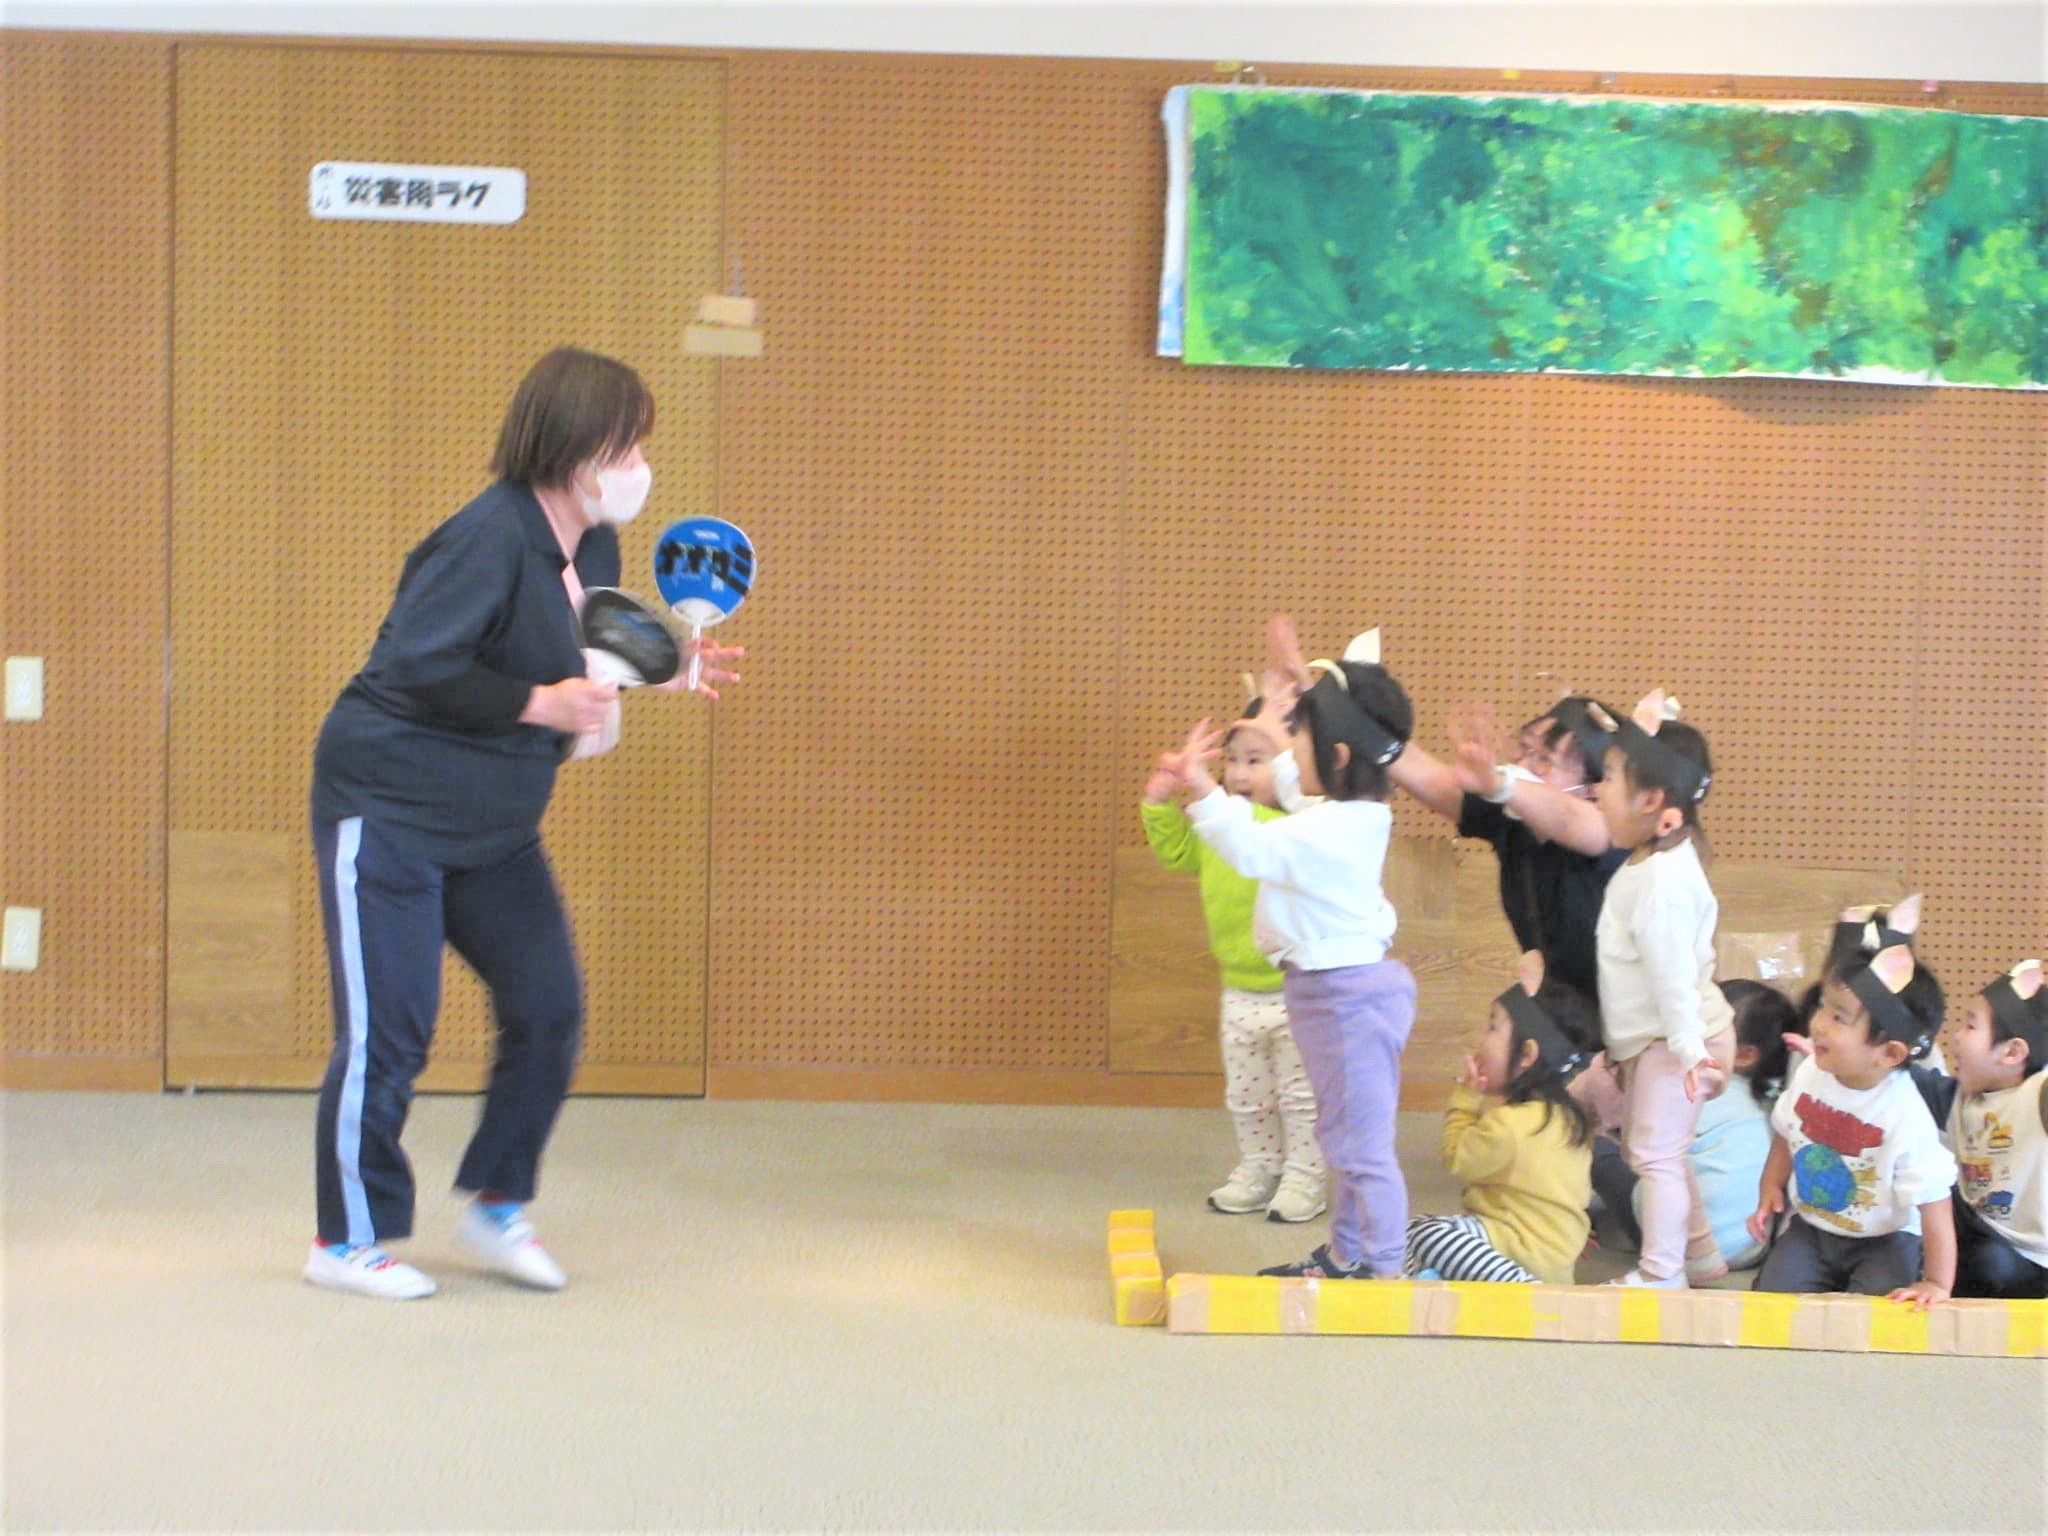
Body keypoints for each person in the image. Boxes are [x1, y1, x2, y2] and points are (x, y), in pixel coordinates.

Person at [303, 347, 743, 1300]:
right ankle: (345, 1241)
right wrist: (541, 705)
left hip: (494, 822)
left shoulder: (594, 544)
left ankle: (497, 1207)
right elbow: (418, 668)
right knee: (391, 1034)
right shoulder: (485, 538)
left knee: (548, 1009)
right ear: (576, 450)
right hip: (389, 806)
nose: (640, 466)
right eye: (627, 447)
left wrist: (670, 667)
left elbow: (593, 636)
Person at [1165, 623, 1417, 1280]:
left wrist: (1203, 788)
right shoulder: (1342, 809)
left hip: (1347, 996)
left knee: (1362, 1150)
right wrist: (1281, 727)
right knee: (1343, 1140)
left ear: (1337, 754)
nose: (1284, 757)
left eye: (1296, 742)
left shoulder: (1336, 827)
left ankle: (1381, 1269)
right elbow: (1298, 789)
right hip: (1327, 991)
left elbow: (1253, 848)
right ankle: (1348, 1254)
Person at [1142, 700, 1327, 1223]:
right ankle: (1259, 1167)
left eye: (1256, 761)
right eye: (1233, 760)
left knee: (1301, 1097)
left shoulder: (1298, 826)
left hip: (1298, 990)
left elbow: (1253, 832)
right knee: (1248, 1095)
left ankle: (1305, 1178)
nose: (1240, 774)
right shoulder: (1220, 823)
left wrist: (1206, 795)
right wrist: (1159, 802)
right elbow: (1180, 852)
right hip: (1239, 990)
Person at [1589, 692, 1737, 1288]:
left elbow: (1674, 979)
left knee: (1654, 1158)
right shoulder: (1651, 865)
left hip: (1680, 1040)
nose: (1597, 789)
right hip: (1663, 1039)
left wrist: (1689, 1052)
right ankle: (1698, 1258)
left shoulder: (1663, 884)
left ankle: (1662, 1274)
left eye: (1608, 777)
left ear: (1652, 801)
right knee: (1656, 1153)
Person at [1749, 945, 1957, 1308]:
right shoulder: (1812, 1071)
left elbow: (1935, 1203)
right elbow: (1786, 1129)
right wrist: (1770, 1184)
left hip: (1885, 1239)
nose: (1818, 1024)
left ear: (1889, 1054)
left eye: (1838, 1018)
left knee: (1878, 1317)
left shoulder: (1905, 1115)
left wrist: (1937, 1282)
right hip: (1813, 1228)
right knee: (1770, 1305)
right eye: (1823, 1008)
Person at [1404, 953, 1598, 1285]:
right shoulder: (1568, 1118)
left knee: (1423, 1232)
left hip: (1517, 1255)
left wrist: (1466, 1098)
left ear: (1527, 1055)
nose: (1482, 1040)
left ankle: (1522, 1289)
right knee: (1421, 1246)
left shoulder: (1510, 1125)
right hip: (1554, 1261)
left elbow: (1456, 1157)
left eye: (1492, 1028)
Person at [1588, 978, 1796, 1271]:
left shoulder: (1696, 1087)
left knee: (1597, 1147)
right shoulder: (1771, 1103)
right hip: (1750, 1248)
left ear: (1743, 1055)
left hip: (1682, 1247)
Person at [1942, 959, 2048, 1298]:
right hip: (1979, 1232)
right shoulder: (1960, 1094)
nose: (1957, 1036)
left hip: (2028, 1260)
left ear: (2013, 1052)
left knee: (1987, 1261)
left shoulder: (2037, 1094)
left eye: (1970, 1026)